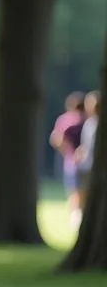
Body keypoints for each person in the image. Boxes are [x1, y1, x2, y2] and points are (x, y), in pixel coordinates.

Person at [50, 92, 87, 230]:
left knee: (74, 192)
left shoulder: (65, 120)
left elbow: (56, 139)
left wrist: (67, 152)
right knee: (83, 192)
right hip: (87, 162)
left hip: (72, 163)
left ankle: (76, 219)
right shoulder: (88, 121)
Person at [75, 90, 99, 223]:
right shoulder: (89, 123)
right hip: (86, 165)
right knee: (82, 193)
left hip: (94, 167)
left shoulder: (97, 124)